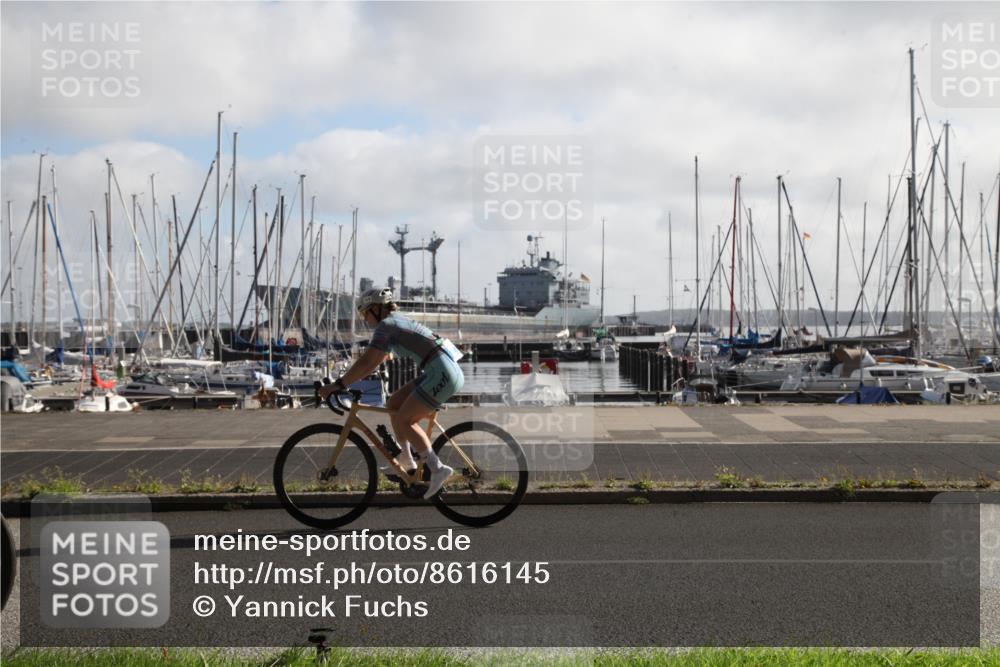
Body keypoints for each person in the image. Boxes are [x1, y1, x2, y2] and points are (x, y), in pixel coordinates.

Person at [318, 287, 464, 499]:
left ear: (376, 308)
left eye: (365, 312)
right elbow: (373, 362)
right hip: (440, 370)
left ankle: (438, 468)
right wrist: (347, 381)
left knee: (405, 420)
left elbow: (368, 362)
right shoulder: (395, 321)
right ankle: (407, 459)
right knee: (393, 404)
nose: (364, 318)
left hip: (442, 374)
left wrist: (338, 385)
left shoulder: (387, 326)